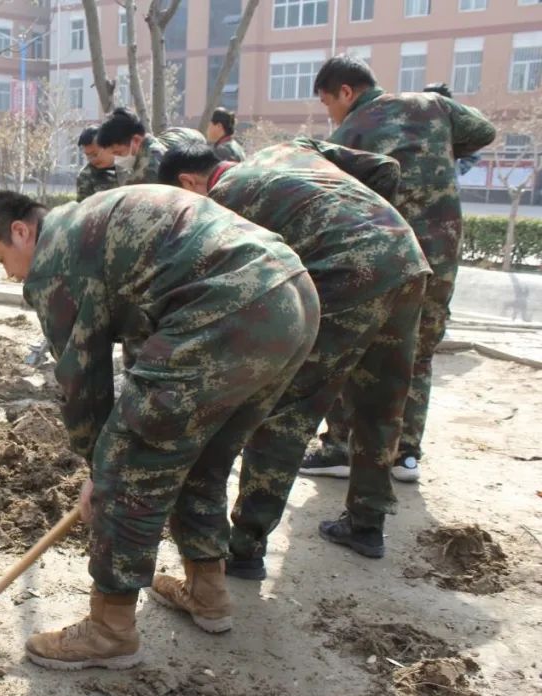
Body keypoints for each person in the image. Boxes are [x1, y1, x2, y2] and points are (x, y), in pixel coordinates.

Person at [0, 186, 318, 670]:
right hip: (293, 297)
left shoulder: (55, 258)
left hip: (226, 308)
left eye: (0, 258)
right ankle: (208, 592)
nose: (9, 273)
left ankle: (109, 631)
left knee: (128, 464)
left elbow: (81, 380)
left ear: (21, 232)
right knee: (202, 456)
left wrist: (103, 469)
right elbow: (145, 344)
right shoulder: (93, 225)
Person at [159, 139, 430, 564]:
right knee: (380, 402)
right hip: (406, 256)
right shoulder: (289, 147)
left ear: (189, 182)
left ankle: (245, 547)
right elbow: (385, 167)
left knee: (285, 412)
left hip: (347, 274)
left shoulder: (226, 200)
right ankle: (366, 523)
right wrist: (361, 225)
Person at [301, 55, 495, 483]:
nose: (329, 111)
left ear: (346, 92)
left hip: (379, 258)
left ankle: (339, 448)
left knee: (350, 347)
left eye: (327, 101)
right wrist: (442, 146)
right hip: (439, 253)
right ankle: (405, 456)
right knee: (419, 351)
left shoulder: (347, 134)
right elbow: (485, 130)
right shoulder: (432, 106)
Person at [96, 107, 170, 184]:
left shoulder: (151, 165)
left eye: (118, 153)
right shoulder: (142, 153)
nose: (116, 159)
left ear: (136, 140)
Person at [424, 83, 483, 180]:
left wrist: (455, 171)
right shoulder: (413, 123)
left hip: (444, 187)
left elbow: (474, 155)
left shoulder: (456, 126)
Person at [75, 125, 119, 201]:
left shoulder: (128, 167)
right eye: (87, 155)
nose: (91, 159)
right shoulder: (86, 175)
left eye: (94, 154)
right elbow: (84, 208)